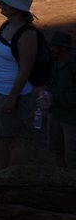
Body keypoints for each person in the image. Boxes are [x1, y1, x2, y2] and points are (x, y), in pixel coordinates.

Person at [0, 0, 38, 170]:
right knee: (1, 134)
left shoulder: (28, 35)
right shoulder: (6, 26)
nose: (2, 4)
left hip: (12, 94)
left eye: (7, 3)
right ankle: (1, 172)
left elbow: (25, 70)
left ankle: (14, 176)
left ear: (17, 9)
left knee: (14, 140)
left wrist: (11, 98)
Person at [39, 32, 76, 168]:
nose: (51, 49)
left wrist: (54, 98)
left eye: (54, 46)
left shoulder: (73, 65)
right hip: (55, 114)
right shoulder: (55, 62)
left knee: (72, 157)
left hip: (71, 119)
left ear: (63, 48)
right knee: (57, 151)